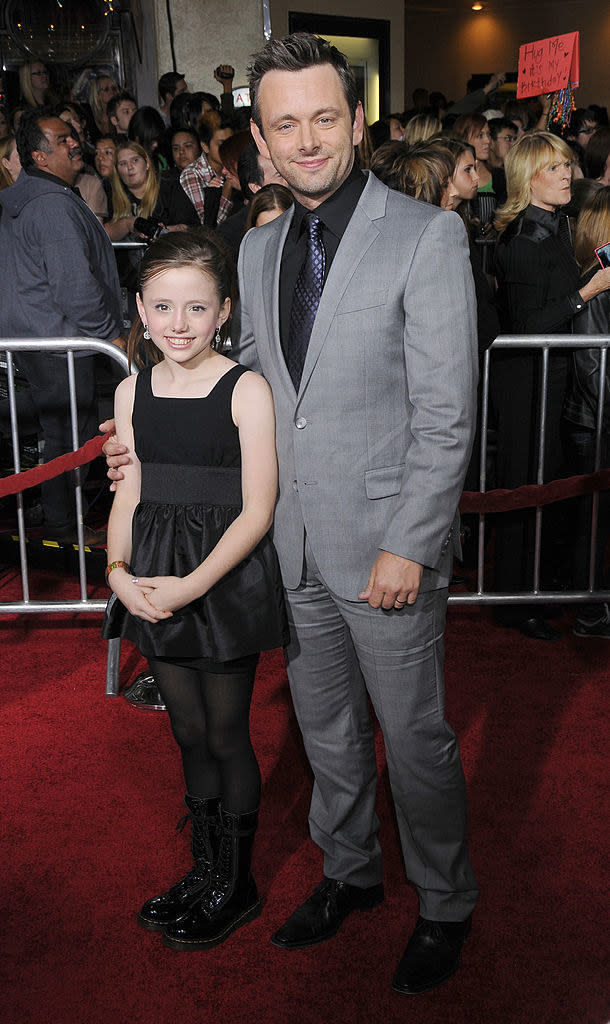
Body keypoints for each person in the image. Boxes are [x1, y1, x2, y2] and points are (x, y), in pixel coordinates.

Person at [103, 32, 479, 994]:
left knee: (417, 738)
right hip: (289, 548)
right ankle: (349, 873)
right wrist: (151, 443)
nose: (306, 139)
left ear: (357, 121)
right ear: (260, 141)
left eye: (323, 117)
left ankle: (445, 901)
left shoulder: (426, 234)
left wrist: (412, 542)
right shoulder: (260, 245)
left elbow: (448, 413)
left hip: (388, 550)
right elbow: (254, 389)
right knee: (327, 735)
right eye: (284, 124)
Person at [102, 230, 288, 949]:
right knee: (184, 732)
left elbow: (258, 509)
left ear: (224, 312)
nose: (178, 325)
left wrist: (192, 586)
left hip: (221, 580)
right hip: (151, 576)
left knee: (224, 732)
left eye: (196, 309)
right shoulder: (130, 389)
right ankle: (206, 867)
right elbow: (129, 496)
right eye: (163, 307)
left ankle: (234, 884)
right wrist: (121, 578)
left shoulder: (246, 388)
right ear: (141, 312)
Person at [493, 131, 610, 639]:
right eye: (555, 168)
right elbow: (526, 322)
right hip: (527, 384)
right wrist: (588, 290)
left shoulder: (557, 226)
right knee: (525, 488)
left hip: (554, 381)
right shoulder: (522, 238)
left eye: (568, 166)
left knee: (549, 483)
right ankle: (515, 603)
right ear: (528, 178)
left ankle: (539, 587)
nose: (568, 175)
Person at [0, 106, 122, 543]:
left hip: (38, 337)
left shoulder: (29, 196)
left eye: (72, 134)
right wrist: (112, 332)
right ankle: (64, 526)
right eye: (62, 139)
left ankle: (60, 518)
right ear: (39, 157)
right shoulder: (50, 205)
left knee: (65, 430)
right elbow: (75, 287)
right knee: (69, 435)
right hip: (58, 339)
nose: (74, 142)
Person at [562, 186, 610, 637]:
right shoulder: (594, 282)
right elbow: (593, 364)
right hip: (595, 421)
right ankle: (591, 613)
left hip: (597, 418)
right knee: (594, 524)